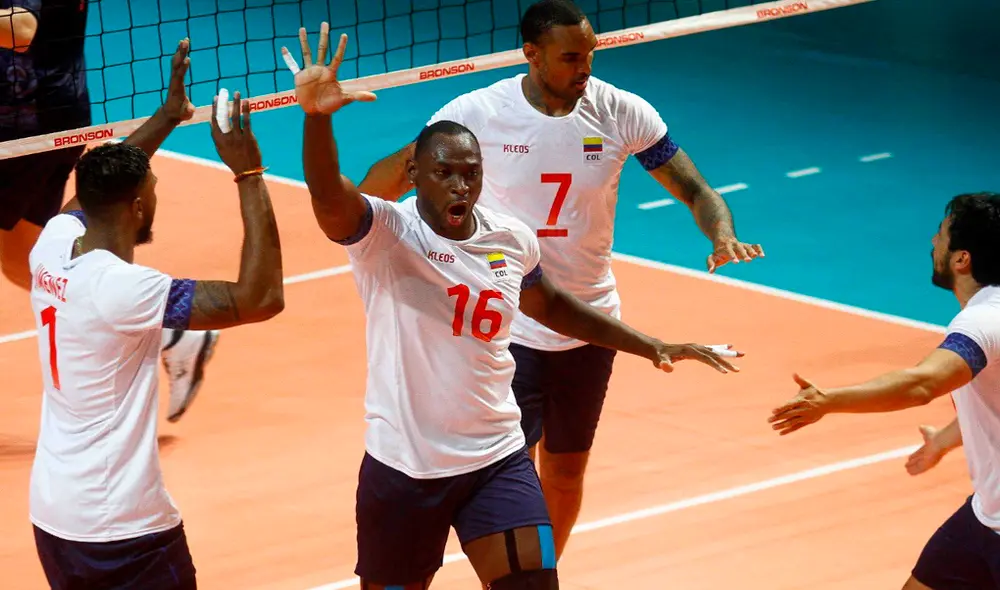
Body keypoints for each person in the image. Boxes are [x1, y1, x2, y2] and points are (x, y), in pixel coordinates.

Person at [285, 23, 742, 589]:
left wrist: (652, 344)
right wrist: (316, 117)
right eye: (445, 173)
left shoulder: (510, 238)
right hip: (407, 466)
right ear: (416, 175)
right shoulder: (387, 230)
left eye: (471, 174)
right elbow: (332, 197)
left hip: (494, 459)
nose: (460, 185)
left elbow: (550, 303)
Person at [27, 39, 284, 590]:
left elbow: (92, 189)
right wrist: (249, 172)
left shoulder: (53, 242)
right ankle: (185, 345)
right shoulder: (123, 288)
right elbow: (260, 298)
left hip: (54, 515)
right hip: (121, 528)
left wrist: (166, 118)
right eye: (153, 189)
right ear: (138, 207)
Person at [768, 192, 1000, 590]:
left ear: (963, 259)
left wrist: (829, 401)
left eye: (941, 235)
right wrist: (943, 441)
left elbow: (922, 383)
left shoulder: (982, 322)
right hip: (986, 514)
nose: (932, 241)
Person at [1, 0, 218, 423]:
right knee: (21, 257)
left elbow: (22, 27)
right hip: (42, 116)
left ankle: (165, 326)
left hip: (25, 124)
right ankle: (169, 332)